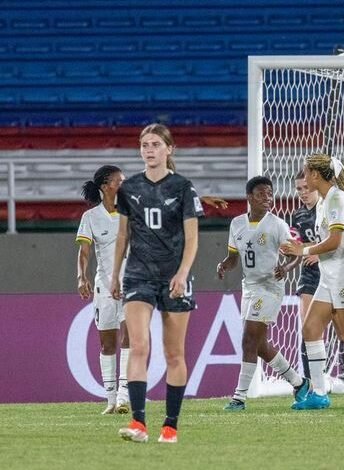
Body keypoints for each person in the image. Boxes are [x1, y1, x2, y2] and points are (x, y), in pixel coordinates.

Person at [111, 123, 203, 443]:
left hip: (174, 275)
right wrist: (114, 274)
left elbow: (192, 239)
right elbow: (123, 235)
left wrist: (182, 272)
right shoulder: (129, 188)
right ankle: (138, 423)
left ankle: (171, 426)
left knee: (174, 353)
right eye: (144, 145)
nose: (149, 150)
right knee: (139, 346)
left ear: (169, 149)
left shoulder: (182, 187)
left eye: (155, 144)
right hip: (138, 274)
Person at [280, 153, 344, 411]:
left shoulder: (337, 198)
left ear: (316, 175)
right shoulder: (325, 201)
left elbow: (335, 241)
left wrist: (302, 250)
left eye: (306, 173)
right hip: (330, 277)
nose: (304, 179)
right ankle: (319, 393)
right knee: (310, 328)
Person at [219, 176, 309, 411]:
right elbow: (233, 257)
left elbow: (295, 254)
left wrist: (286, 268)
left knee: (249, 339)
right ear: (249, 197)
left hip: (269, 287)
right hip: (248, 286)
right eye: (261, 194)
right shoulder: (237, 223)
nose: (267, 198)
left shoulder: (277, 225)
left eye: (270, 194)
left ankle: (239, 398)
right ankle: (298, 383)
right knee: (258, 345)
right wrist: (224, 265)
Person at [76, 165, 130, 415]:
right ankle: (110, 399)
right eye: (121, 181)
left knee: (130, 337)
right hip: (104, 286)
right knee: (107, 343)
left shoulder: (131, 213)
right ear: (106, 186)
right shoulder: (91, 217)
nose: (125, 185)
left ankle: (123, 396)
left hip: (131, 284)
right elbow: (84, 251)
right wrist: (81, 277)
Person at [289, 171, 321, 380]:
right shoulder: (298, 216)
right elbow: (296, 246)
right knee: (308, 327)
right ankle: (311, 381)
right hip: (309, 275)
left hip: (333, 273)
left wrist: (319, 252)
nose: (302, 192)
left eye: (306, 188)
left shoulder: (329, 209)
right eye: (299, 189)